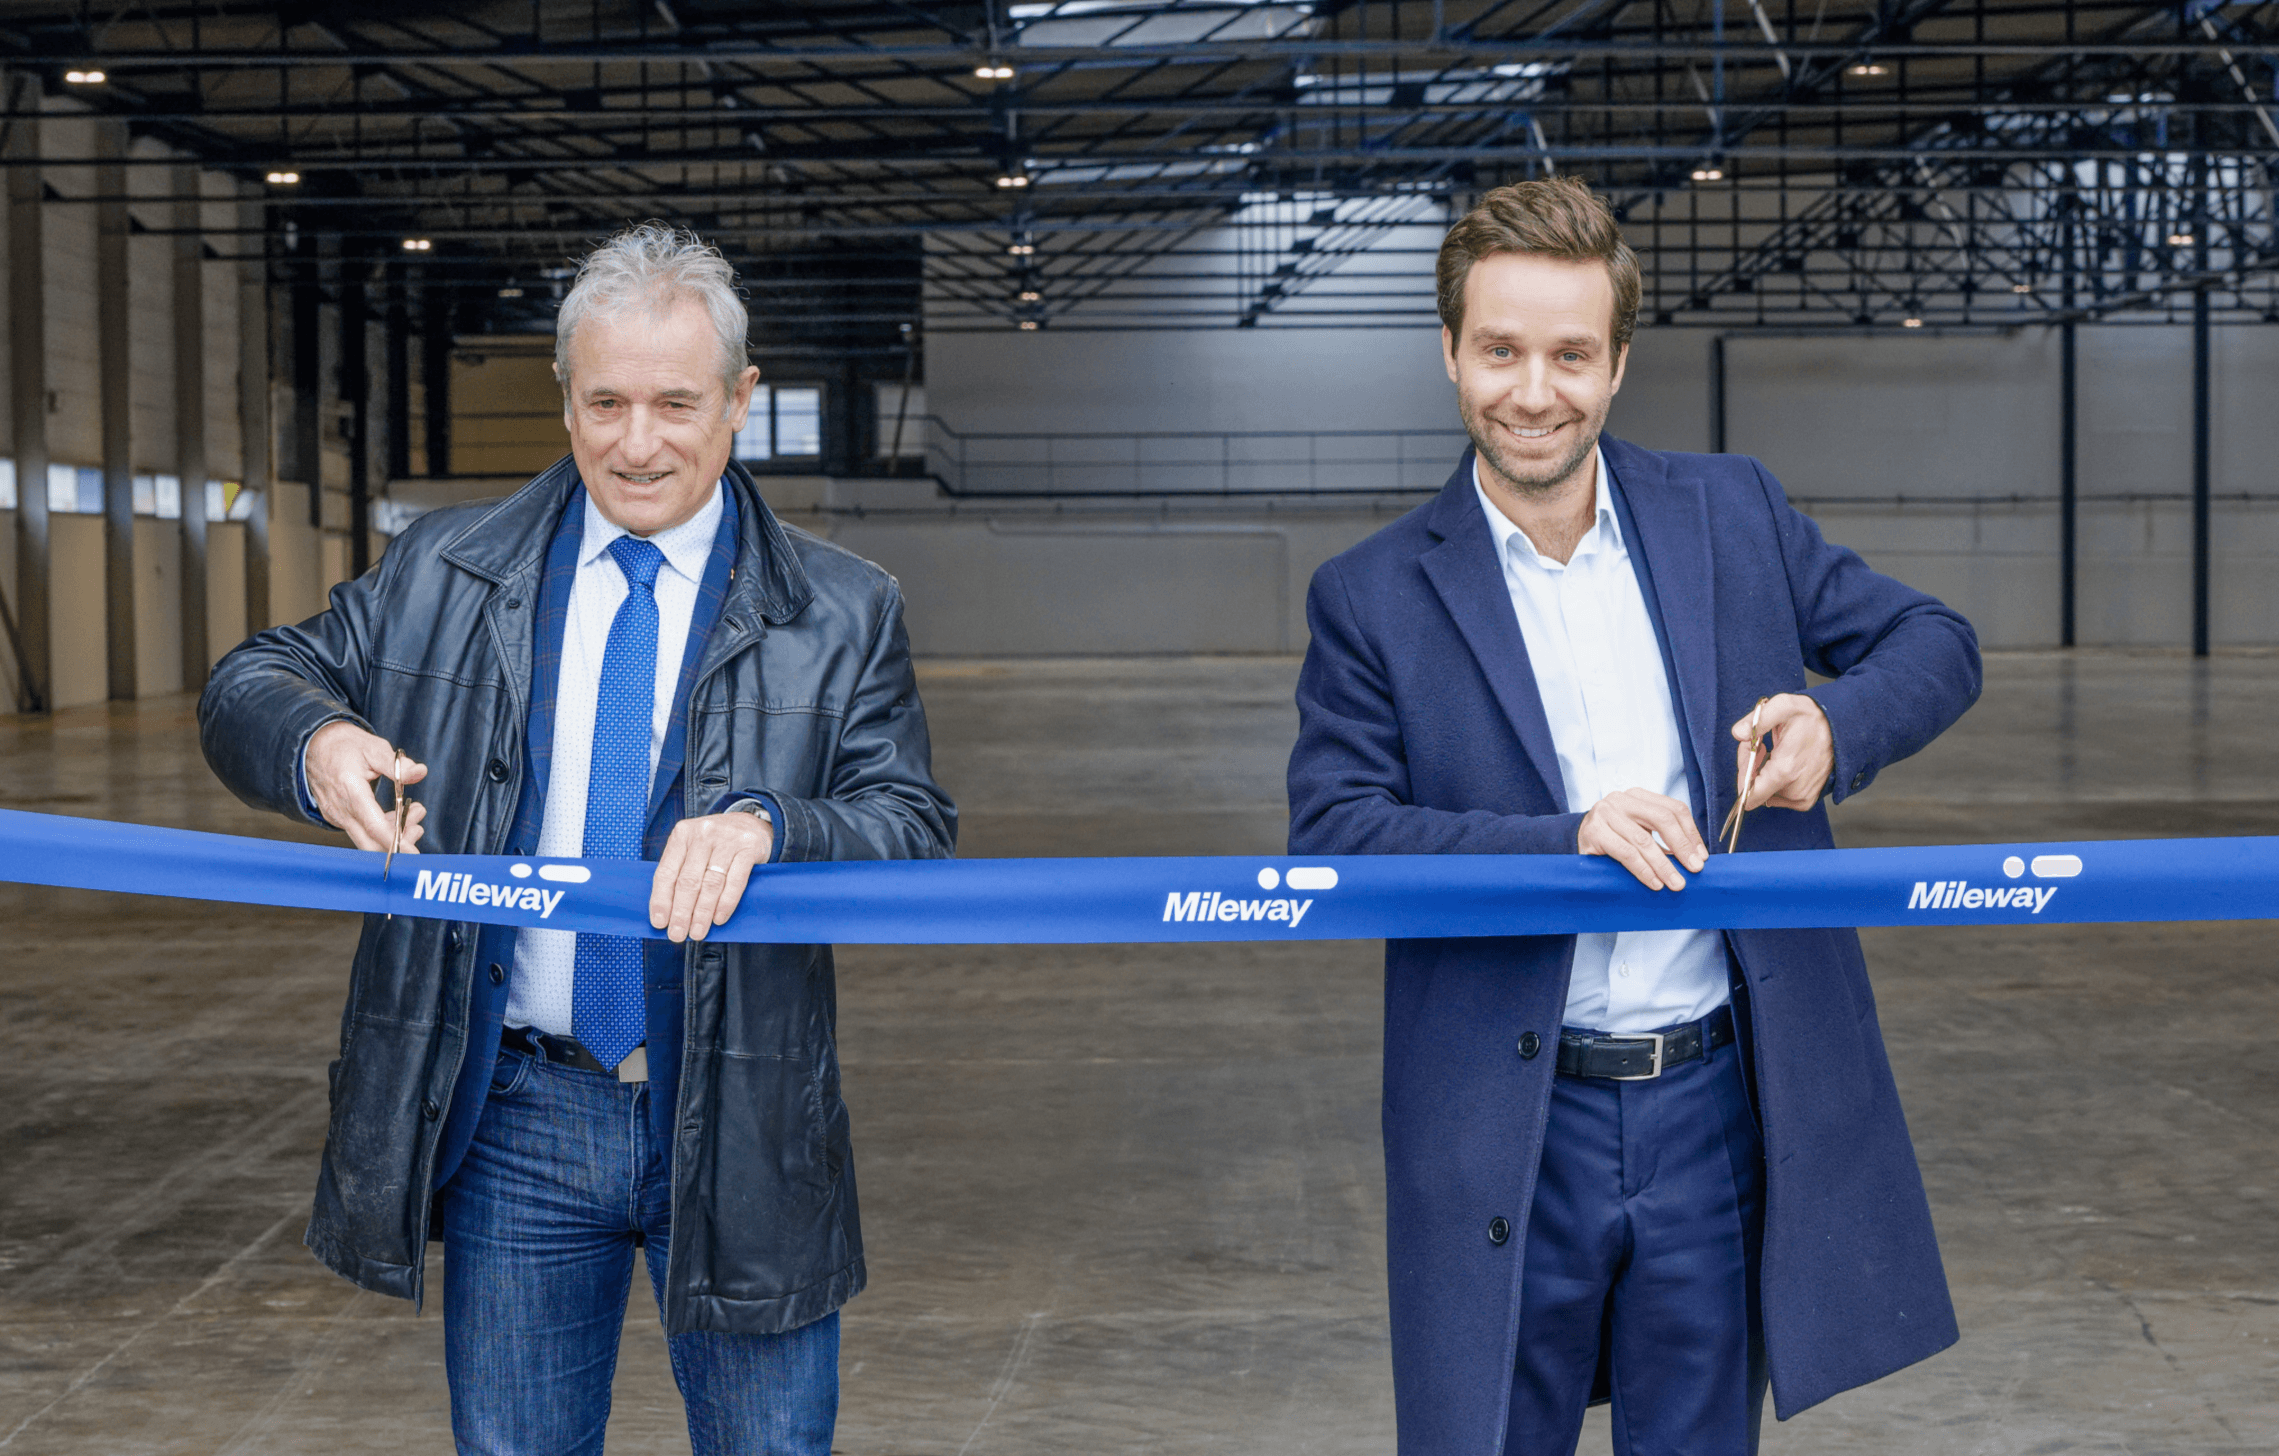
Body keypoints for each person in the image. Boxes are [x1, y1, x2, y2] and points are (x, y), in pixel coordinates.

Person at [200, 223, 955, 1455]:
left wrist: (776, 823)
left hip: (741, 1114)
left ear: (740, 401)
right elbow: (252, 678)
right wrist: (320, 741)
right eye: (604, 401)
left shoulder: (844, 607)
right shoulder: (445, 570)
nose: (637, 441)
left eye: (674, 401)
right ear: (565, 398)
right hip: (517, 1116)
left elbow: (911, 823)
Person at [1286, 177, 1982, 1454]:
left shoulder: (1731, 513)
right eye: (1499, 351)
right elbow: (1335, 833)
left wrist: (1835, 730)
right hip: (1505, 1120)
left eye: (1567, 354)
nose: (1531, 390)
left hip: (1710, 1110)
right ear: (1448, 354)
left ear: (1615, 365)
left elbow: (1933, 641)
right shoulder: (1370, 593)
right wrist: (1561, 840)